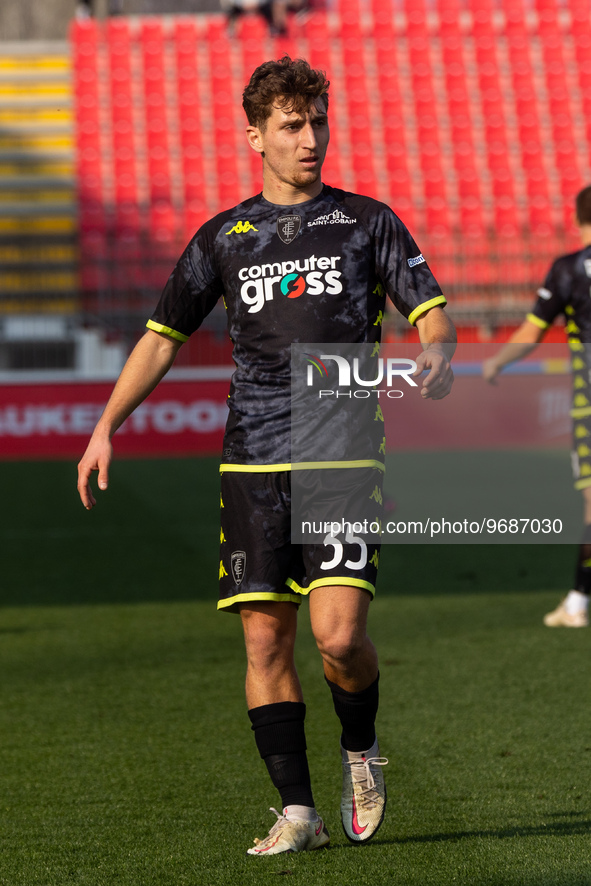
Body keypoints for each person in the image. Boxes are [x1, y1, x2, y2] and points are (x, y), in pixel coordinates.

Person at [77, 56, 456, 855]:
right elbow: (161, 338)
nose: (309, 138)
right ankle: (297, 812)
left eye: (318, 122)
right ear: (255, 136)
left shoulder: (365, 221)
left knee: (339, 639)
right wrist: (106, 424)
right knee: (263, 644)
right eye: (291, 125)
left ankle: (360, 749)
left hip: (342, 458)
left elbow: (428, 309)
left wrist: (436, 347)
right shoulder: (224, 236)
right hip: (251, 462)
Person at [483, 185, 591, 629]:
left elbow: (532, 332)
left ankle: (578, 603)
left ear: (578, 218)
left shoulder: (569, 269)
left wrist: (495, 362)